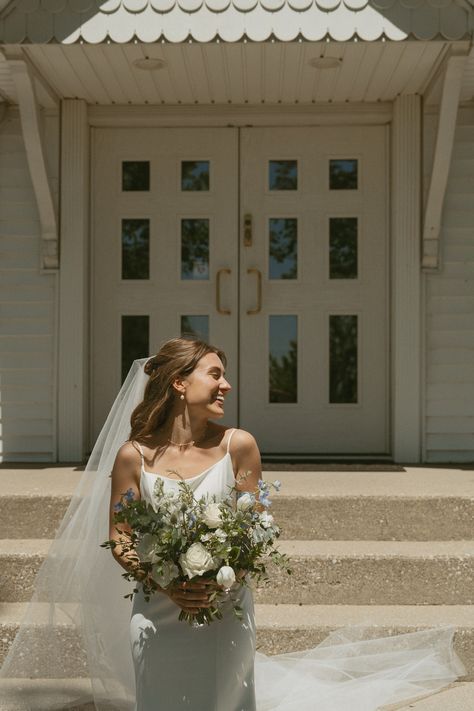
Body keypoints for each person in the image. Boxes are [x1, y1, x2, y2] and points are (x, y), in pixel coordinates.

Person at [0, 336, 467, 711]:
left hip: (224, 609)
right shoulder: (133, 457)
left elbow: (257, 526)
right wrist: (164, 581)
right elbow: (120, 537)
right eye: (215, 374)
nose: (226, 386)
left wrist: (225, 578)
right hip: (156, 612)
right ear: (180, 384)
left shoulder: (238, 446)